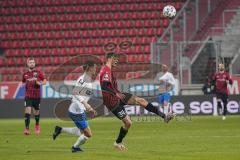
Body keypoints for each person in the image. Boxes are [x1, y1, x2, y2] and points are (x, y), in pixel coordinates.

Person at [99, 52, 175, 151]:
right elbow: (104, 86)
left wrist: (117, 93)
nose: (117, 61)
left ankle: (164, 116)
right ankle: (117, 142)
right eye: (116, 59)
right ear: (110, 58)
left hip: (118, 95)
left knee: (141, 100)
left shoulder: (109, 70)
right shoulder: (105, 70)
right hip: (111, 101)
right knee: (128, 123)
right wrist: (116, 94)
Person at [52, 61, 97, 152]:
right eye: (94, 67)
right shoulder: (83, 79)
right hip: (77, 111)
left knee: (81, 131)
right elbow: (75, 92)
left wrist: (89, 108)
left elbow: (80, 95)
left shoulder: (87, 79)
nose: (96, 69)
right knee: (88, 134)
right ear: (90, 68)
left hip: (78, 109)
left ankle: (60, 130)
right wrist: (84, 103)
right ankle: (75, 147)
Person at [22, 57, 46, 135]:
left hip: (37, 96)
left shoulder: (38, 72)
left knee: (36, 112)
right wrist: (25, 85)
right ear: (27, 64)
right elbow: (23, 83)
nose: (32, 63)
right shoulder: (25, 74)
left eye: (33, 62)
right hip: (28, 95)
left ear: (34, 63)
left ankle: (37, 125)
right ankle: (27, 128)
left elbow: (45, 81)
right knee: (27, 110)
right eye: (30, 62)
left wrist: (40, 83)